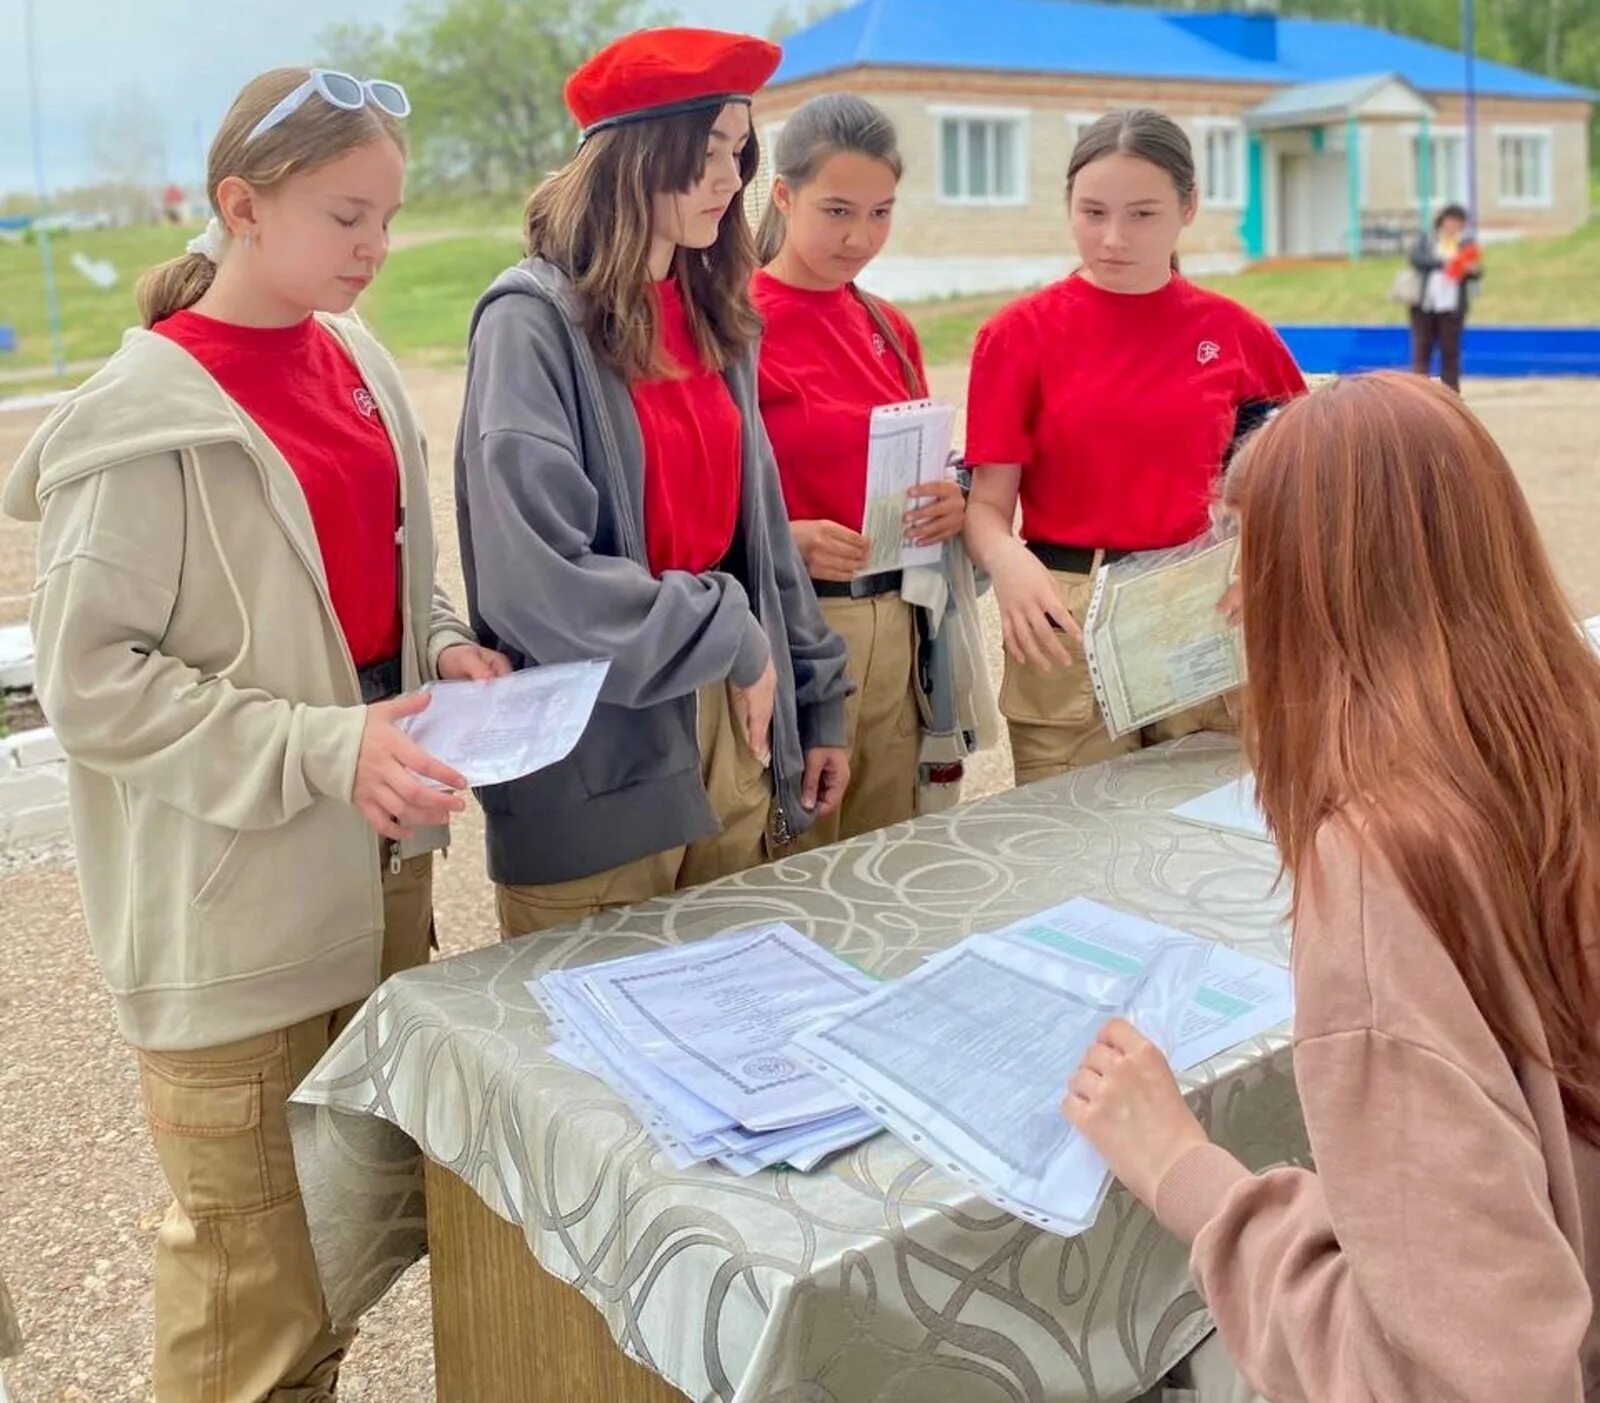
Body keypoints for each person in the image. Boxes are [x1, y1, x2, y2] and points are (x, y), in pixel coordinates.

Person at [2, 67, 507, 1401]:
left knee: (341, 1252)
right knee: (250, 1305)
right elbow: (90, 680)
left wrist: (443, 640)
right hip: (235, 921)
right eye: (348, 216)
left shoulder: (357, 362)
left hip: (380, 880)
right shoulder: (137, 419)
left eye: (389, 217)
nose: (377, 249)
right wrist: (319, 747)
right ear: (240, 206)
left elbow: (384, 584)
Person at [1067, 372, 1600, 1401]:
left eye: (1243, 555)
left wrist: (1185, 1167)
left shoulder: (1379, 867)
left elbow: (1467, 1374)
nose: (1227, 597)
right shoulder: (1565, 740)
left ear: (1302, 585)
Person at [455, 28, 852, 938]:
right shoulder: (529, 323)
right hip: (597, 759)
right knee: (594, 1068)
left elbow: (759, 540)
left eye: (738, 150)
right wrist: (733, 635)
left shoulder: (718, 314)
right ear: (635, 157)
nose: (730, 177)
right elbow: (537, 585)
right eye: (707, 150)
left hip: (734, 730)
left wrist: (814, 695)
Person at [962, 108, 1306, 786]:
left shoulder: (1237, 335)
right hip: (1061, 610)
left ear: (1188, 208)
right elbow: (986, 506)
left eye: (1142, 215)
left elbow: (1302, 479)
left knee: (1202, 827)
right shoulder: (1017, 336)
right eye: (1092, 212)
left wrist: (1261, 560)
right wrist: (1006, 560)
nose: (1113, 238)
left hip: (1201, 603)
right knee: (1066, 839)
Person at [752, 94, 966, 844]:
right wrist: (787, 536)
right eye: (838, 210)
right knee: (795, 859)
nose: (861, 237)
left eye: (881, 213)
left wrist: (951, 501)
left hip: (901, 626)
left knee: (894, 853)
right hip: (800, 628)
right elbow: (687, 489)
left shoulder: (888, 324)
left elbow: (924, 459)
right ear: (783, 194)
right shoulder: (734, 322)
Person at [1409, 202, 1482, 393]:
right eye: (1449, 221)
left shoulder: (1466, 243)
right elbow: (1416, 259)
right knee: (1421, 352)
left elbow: (1477, 270)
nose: (1452, 226)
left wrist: (1468, 269)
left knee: (1450, 354)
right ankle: (1419, 394)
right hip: (1425, 304)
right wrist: (1444, 262)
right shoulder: (1428, 239)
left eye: (1457, 222)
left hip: (1452, 307)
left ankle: (1451, 395)